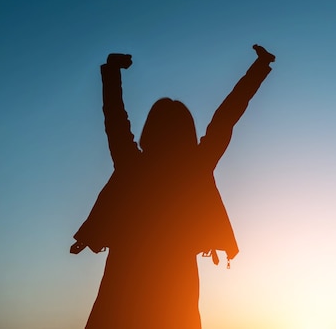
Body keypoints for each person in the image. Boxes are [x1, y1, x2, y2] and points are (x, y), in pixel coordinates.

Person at [71, 45, 276, 328]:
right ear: (187, 132)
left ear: (150, 130)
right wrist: (259, 67)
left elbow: (115, 119)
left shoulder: (132, 164)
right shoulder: (195, 166)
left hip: (124, 281)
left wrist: (112, 71)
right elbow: (226, 117)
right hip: (176, 283)